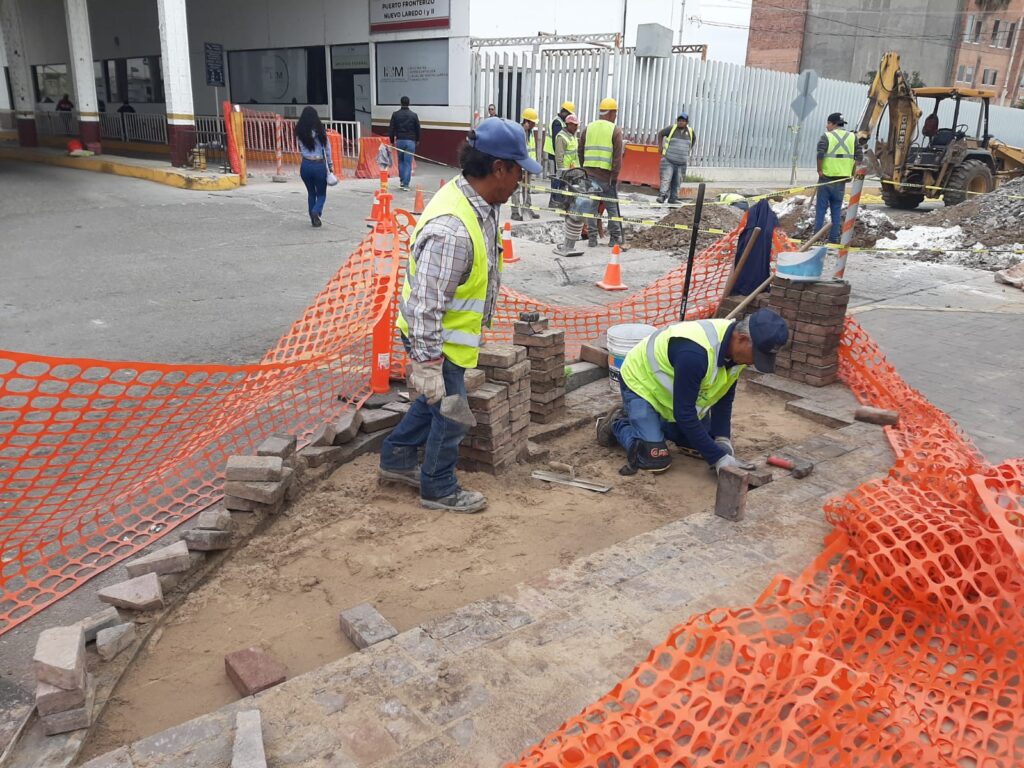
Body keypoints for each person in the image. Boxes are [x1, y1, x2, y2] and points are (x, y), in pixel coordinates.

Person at [379, 118, 542, 514]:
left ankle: (397, 458)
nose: (522, 180)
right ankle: (438, 487)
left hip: (448, 333)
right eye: (519, 170)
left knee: (436, 402)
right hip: (434, 336)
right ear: (499, 167)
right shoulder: (452, 230)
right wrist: (428, 364)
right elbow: (425, 304)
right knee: (452, 414)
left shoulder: (477, 201)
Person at [596, 309, 790, 474]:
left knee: (702, 446)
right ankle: (619, 422)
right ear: (741, 339)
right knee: (655, 459)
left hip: (674, 396)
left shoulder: (737, 352)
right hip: (642, 385)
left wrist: (722, 439)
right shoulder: (695, 353)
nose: (754, 362)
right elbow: (685, 414)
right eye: (756, 356)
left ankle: (653, 422)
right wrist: (718, 458)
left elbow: (724, 398)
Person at [579, 97, 626, 249]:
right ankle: (614, 238)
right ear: (611, 113)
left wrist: (584, 169)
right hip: (607, 178)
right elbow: (617, 158)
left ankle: (592, 239)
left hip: (590, 175)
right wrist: (614, 176)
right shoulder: (615, 130)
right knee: (612, 208)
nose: (616, 116)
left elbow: (580, 150)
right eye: (615, 113)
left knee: (591, 208)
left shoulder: (589, 128)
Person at [815, 112, 862, 244]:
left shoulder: (827, 136)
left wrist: (819, 170)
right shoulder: (852, 137)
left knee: (820, 210)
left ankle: (816, 239)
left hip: (826, 178)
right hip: (842, 180)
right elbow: (859, 157)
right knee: (836, 211)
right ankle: (833, 239)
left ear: (833, 124)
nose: (826, 126)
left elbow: (820, 154)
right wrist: (852, 172)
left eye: (828, 123)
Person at [294, 106, 334, 228]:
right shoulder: (321, 131)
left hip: (305, 165)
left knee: (311, 193)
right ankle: (316, 211)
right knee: (321, 194)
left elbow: (300, 147)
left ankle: (314, 219)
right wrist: (330, 165)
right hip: (318, 165)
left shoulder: (299, 132)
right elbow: (327, 149)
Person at [656, 113, 696, 204]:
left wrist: (685, 150)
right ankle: (662, 196)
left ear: (687, 122)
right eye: (679, 120)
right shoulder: (671, 129)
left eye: (683, 121)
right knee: (666, 179)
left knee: (677, 182)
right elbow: (660, 134)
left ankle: (673, 198)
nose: (680, 122)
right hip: (668, 160)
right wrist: (660, 146)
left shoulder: (690, 132)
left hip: (681, 163)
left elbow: (693, 141)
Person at [510, 108, 540, 221]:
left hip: (529, 166)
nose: (534, 124)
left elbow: (531, 150)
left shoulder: (531, 133)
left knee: (527, 189)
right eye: (533, 122)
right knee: (517, 189)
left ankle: (528, 209)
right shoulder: (518, 132)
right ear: (527, 121)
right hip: (519, 166)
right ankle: (515, 212)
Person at [543, 100, 575, 201]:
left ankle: (558, 198)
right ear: (564, 112)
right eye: (569, 114)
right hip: (554, 155)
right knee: (556, 178)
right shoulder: (557, 122)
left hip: (556, 154)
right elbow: (556, 142)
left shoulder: (561, 121)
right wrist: (559, 157)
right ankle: (554, 199)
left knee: (559, 177)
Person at [389, 95, 420, 191]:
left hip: (400, 141)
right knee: (408, 162)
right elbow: (418, 129)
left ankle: (402, 181)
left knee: (401, 161)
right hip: (410, 141)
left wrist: (391, 141)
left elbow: (391, 129)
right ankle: (406, 184)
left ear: (400, 103)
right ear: (409, 103)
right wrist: (418, 140)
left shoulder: (395, 114)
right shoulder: (414, 115)